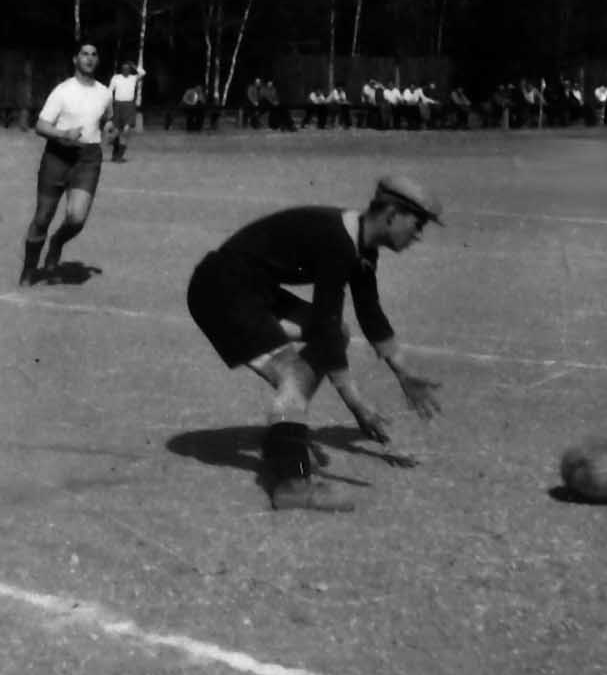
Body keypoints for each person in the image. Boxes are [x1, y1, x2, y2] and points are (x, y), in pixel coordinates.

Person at [185, 175, 447, 512]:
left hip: (248, 289)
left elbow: (370, 314)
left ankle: (283, 439)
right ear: (392, 214)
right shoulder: (336, 241)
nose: (418, 235)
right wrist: (356, 404)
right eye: (418, 224)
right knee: (294, 375)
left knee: (335, 335)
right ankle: (292, 484)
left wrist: (404, 374)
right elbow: (323, 325)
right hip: (220, 293)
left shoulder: (361, 246)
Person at [20, 41, 114, 286]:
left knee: (76, 218)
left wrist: (109, 129)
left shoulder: (105, 93)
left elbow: (107, 119)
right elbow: (41, 126)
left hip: (88, 159)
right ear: (75, 59)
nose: (89, 58)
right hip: (58, 156)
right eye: (84, 54)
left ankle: (57, 242)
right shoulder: (62, 91)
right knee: (42, 218)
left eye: (94, 54)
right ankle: (29, 270)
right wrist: (63, 134)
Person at [108, 59, 144, 162]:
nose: (126, 70)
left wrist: (134, 66)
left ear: (130, 70)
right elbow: (110, 90)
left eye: (128, 69)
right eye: (124, 68)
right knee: (117, 131)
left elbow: (142, 73)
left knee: (126, 131)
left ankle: (119, 156)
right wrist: (110, 104)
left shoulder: (133, 78)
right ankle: (115, 155)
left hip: (129, 106)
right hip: (118, 105)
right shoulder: (116, 78)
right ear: (121, 70)